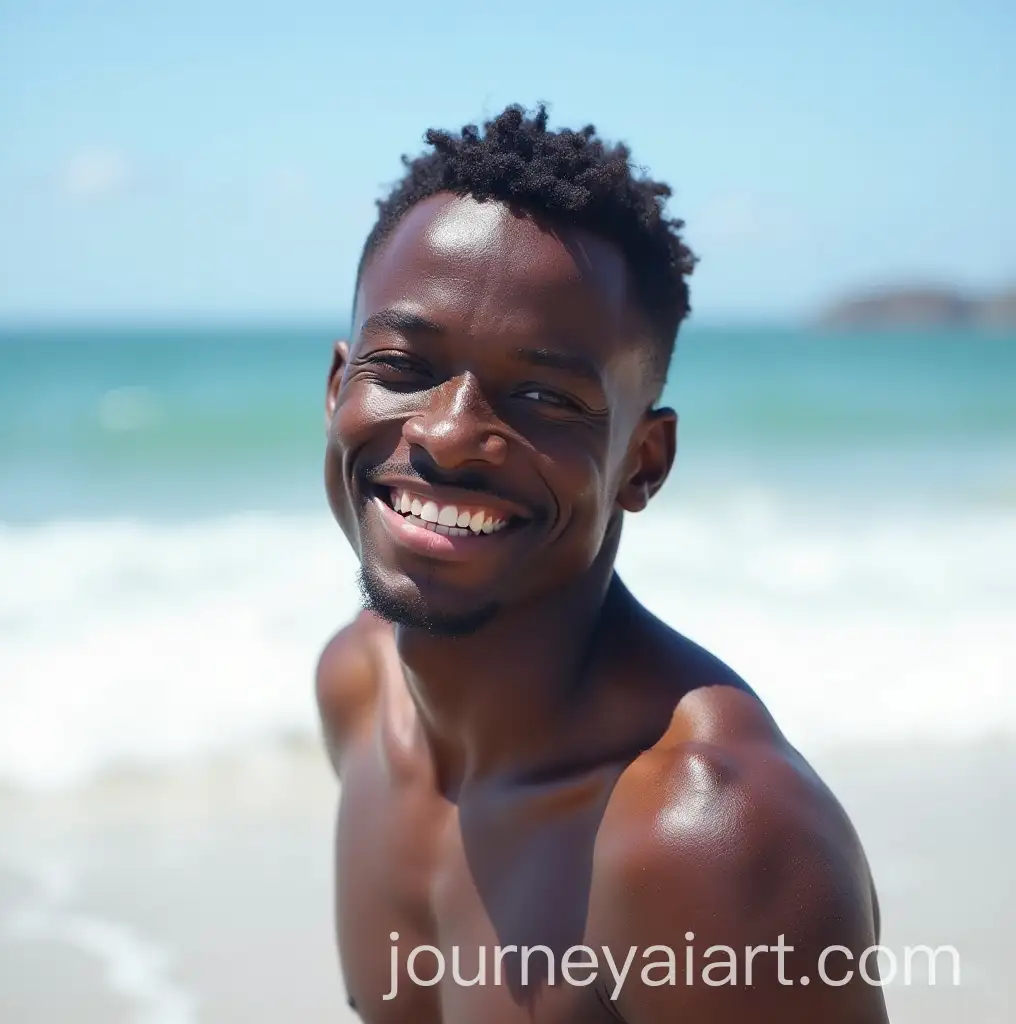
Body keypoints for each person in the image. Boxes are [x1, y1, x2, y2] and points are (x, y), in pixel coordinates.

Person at [316, 103, 889, 1023]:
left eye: (544, 394)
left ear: (641, 464)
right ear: (340, 388)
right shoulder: (356, 688)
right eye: (405, 366)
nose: (451, 434)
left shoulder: (704, 834)